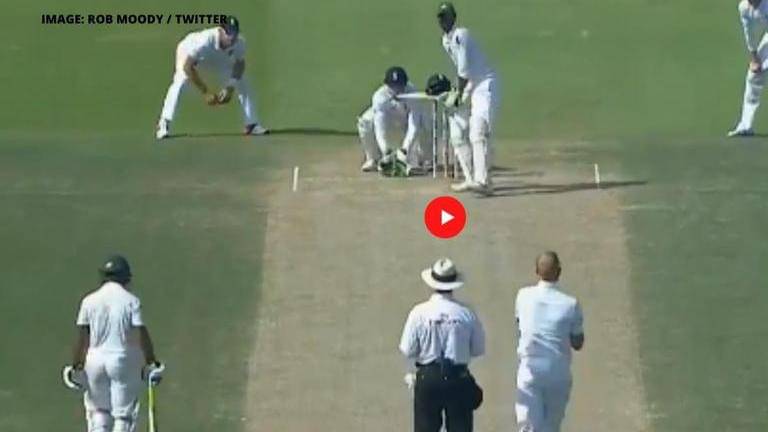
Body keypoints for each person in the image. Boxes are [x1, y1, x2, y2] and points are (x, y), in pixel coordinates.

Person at [62, 255, 164, 432]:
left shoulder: (89, 301)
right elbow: (141, 333)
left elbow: (83, 336)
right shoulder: (131, 301)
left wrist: (76, 364)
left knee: (99, 412)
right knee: (123, 416)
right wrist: (151, 361)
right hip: (121, 361)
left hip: (94, 361)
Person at [399, 258, 485, 432]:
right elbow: (478, 349)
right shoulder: (466, 313)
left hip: (428, 377)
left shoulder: (419, 312)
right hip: (457, 377)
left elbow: (407, 349)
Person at [155, 15, 268, 139]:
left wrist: (230, 87)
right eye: (229, 33)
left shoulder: (239, 42)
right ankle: (164, 122)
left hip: (218, 59)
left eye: (235, 33)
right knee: (181, 82)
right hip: (191, 55)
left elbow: (240, 64)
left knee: (243, 82)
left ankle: (251, 124)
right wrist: (205, 92)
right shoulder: (204, 41)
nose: (232, 37)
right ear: (221, 31)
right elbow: (187, 67)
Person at [514, 252, 585, 432]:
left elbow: (520, 325)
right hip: (557, 373)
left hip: (530, 370)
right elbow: (577, 343)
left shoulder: (523, 295)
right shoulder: (571, 304)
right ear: (559, 272)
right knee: (551, 427)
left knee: (528, 427)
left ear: (536, 271)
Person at [436, 2, 500, 193]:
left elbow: (463, 71)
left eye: (446, 17)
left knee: (477, 130)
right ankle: (471, 178)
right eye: (441, 18)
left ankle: (483, 181)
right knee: (457, 131)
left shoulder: (461, 35)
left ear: (454, 18)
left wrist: (457, 93)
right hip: (471, 84)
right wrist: (458, 93)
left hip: (485, 83)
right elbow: (462, 71)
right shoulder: (446, 40)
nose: (443, 21)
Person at [357, 66, 424, 173]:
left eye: (400, 85)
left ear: (405, 83)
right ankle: (372, 159)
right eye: (393, 86)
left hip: (405, 120)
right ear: (386, 85)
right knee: (366, 121)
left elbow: (414, 123)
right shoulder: (380, 96)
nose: (396, 89)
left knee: (425, 120)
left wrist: (405, 148)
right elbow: (380, 126)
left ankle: (415, 158)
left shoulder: (413, 93)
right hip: (388, 120)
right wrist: (385, 150)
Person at [730, 0, 768, 137]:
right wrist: (754, 57)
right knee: (753, 76)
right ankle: (746, 125)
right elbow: (748, 32)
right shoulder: (744, 8)